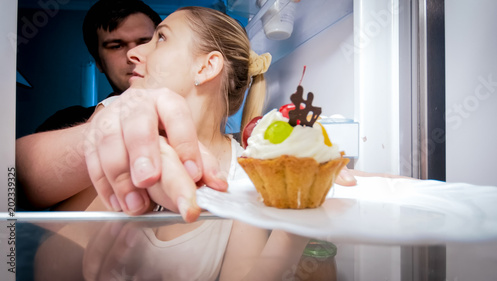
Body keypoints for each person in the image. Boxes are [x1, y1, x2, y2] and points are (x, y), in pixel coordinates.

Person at [33, 7, 311, 280]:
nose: (133, 54)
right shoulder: (123, 140)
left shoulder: (244, 176)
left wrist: (301, 217)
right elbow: (48, 270)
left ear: (205, 67)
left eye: (161, 38)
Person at [35, 0, 162, 133]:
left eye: (145, 43)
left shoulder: (185, 110)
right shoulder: (63, 124)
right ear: (99, 62)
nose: (133, 54)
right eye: (116, 46)